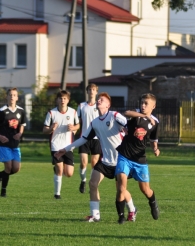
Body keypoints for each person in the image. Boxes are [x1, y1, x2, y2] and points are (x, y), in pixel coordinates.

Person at [55, 92, 137, 224]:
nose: (99, 101)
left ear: (108, 105)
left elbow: (129, 125)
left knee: (121, 189)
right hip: (105, 161)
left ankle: (132, 209)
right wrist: (67, 148)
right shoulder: (95, 123)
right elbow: (83, 139)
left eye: (102, 100)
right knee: (92, 183)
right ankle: (95, 215)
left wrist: (129, 132)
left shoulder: (115, 115)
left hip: (120, 160)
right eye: (98, 99)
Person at [115, 93, 160, 221]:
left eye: (146, 103)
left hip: (139, 159)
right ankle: (121, 217)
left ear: (153, 106)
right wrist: (144, 115)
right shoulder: (136, 114)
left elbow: (153, 140)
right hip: (124, 156)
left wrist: (156, 149)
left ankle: (153, 203)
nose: (143, 105)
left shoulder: (155, 122)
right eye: (142, 103)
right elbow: (126, 113)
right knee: (121, 187)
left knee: (145, 190)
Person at [43, 90, 80, 199]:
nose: (62, 100)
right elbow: (44, 129)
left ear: (68, 100)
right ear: (57, 100)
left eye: (64, 98)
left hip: (68, 145)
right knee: (59, 168)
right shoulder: (51, 113)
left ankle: (57, 169)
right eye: (60, 98)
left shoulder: (73, 112)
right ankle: (57, 194)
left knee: (69, 173)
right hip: (56, 144)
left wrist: (73, 128)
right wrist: (50, 129)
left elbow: (77, 125)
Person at [0, 88, 26, 197]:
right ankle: (3, 191)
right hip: (4, 144)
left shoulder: (21, 111)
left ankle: (0, 175)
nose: (12, 97)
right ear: (6, 97)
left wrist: (20, 134)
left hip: (15, 144)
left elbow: (22, 126)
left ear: (17, 98)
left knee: (16, 168)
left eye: (14, 95)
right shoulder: (2, 111)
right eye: (10, 95)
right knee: (8, 167)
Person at [77, 83, 101, 193]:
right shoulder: (81, 106)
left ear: (96, 92)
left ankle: (92, 183)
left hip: (96, 139)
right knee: (83, 162)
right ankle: (83, 180)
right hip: (84, 137)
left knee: (94, 163)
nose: (91, 91)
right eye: (90, 89)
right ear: (87, 92)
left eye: (93, 89)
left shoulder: (100, 106)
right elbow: (77, 122)